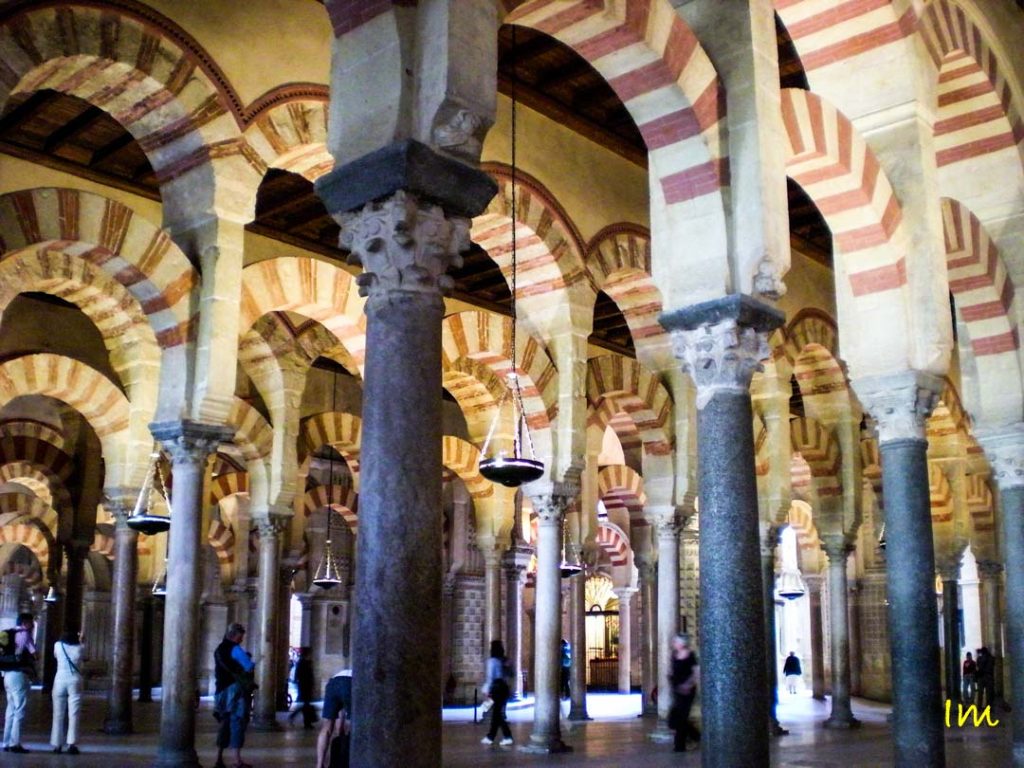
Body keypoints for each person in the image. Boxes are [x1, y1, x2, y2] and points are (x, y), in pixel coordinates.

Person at [213, 623, 256, 768]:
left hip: (220, 690)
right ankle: (237, 760)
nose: (241, 639)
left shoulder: (218, 649)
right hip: (235, 690)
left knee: (224, 723)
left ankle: (219, 757)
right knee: (237, 722)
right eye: (240, 636)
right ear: (235, 635)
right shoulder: (235, 649)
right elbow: (248, 666)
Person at [1, 612, 36, 754]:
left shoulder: (8, 633)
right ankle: (15, 743)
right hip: (18, 675)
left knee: (10, 709)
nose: (32, 625)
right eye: (31, 623)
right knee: (20, 709)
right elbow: (34, 653)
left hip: (7, 675)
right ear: (25, 623)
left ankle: (6, 742)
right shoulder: (25, 634)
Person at [51, 630, 84, 755]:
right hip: (75, 679)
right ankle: (72, 744)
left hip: (59, 679)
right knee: (74, 713)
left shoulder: (58, 645)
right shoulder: (80, 647)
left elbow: (55, 656)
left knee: (58, 714)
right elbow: (82, 656)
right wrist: (81, 640)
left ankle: (57, 744)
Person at [669, 633, 700, 753]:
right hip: (677, 690)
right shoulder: (674, 654)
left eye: (676, 641)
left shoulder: (690, 655)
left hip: (687, 691)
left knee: (681, 718)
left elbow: (696, 672)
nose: (674, 643)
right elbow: (673, 670)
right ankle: (696, 735)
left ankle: (679, 746)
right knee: (674, 718)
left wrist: (688, 685)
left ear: (682, 643)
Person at [480, 640, 513, 747]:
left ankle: (506, 736)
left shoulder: (492, 661)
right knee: (496, 713)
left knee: (497, 714)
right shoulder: (505, 660)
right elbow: (511, 674)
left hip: (496, 688)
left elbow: (490, 678)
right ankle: (491, 737)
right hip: (504, 688)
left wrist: (486, 691)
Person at [318, 669, 352, 768]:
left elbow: (341, 712)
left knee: (327, 727)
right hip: (351, 683)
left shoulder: (343, 672)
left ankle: (319, 764)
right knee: (354, 724)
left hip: (333, 683)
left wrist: (340, 732)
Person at [288, 647, 317, 728]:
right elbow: (303, 676)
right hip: (305, 687)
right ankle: (305, 722)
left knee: (305, 705)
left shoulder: (303, 662)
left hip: (304, 686)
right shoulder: (303, 663)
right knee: (305, 705)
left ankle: (306, 722)